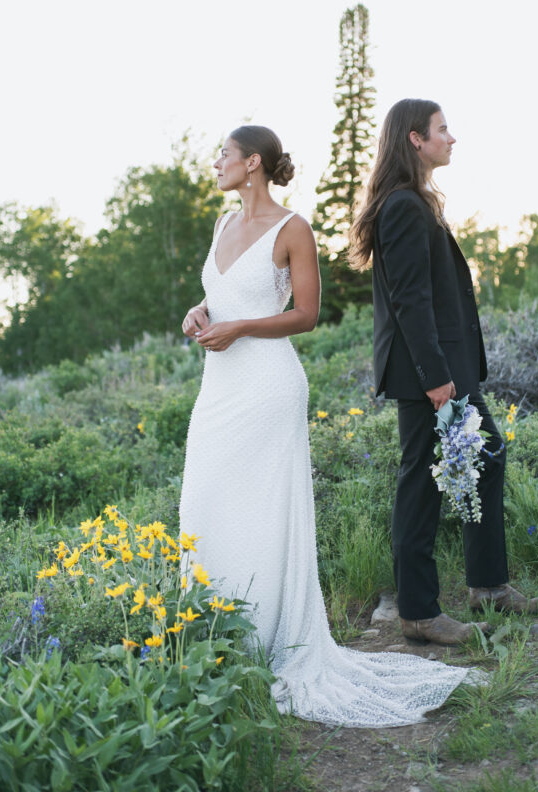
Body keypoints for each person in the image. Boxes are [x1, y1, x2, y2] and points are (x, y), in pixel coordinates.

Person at [179, 124, 479, 727]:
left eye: (224, 155)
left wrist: (237, 329)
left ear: (253, 162)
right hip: (220, 390)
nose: (216, 163)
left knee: (262, 510)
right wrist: (203, 311)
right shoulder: (221, 226)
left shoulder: (293, 229)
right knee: (206, 501)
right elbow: (221, 297)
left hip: (267, 386)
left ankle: (270, 640)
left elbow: (306, 314)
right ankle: (215, 634)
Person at [349, 99, 538, 646]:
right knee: (421, 482)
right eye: (444, 129)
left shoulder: (416, 203)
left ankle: (488, 587)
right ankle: (418, 612)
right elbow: (411, 303)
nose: (452, 138)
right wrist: (437, 378)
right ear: (415, 139)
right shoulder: (401, 207)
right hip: (427, 374)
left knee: (485, 456)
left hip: (442, 370)